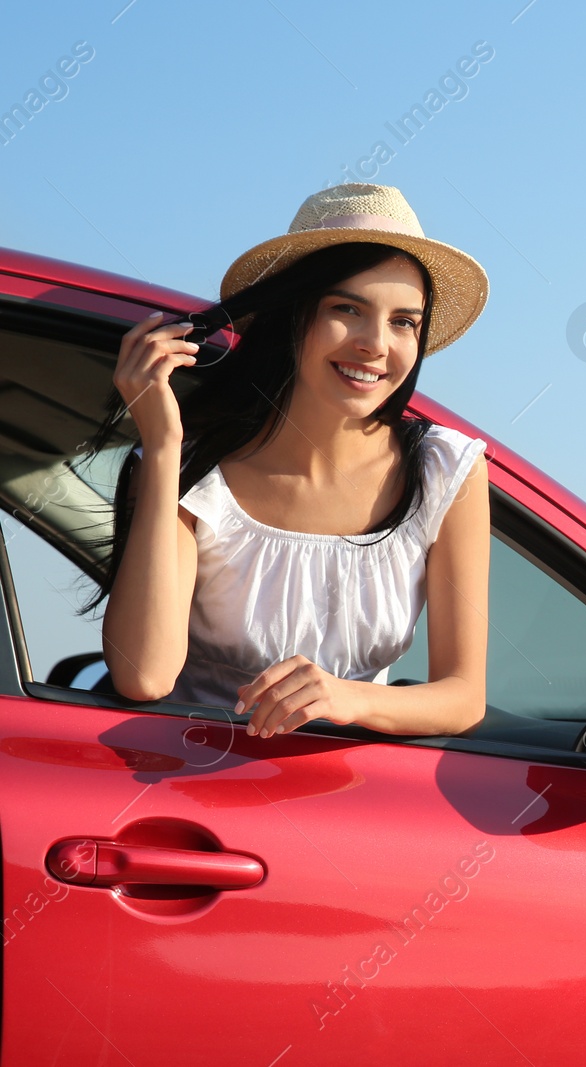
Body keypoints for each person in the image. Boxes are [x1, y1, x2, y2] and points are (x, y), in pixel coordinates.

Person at [78, 183, 491, 738]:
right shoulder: (195, 471)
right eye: (347, 309)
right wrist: (164, 445)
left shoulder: (446, 471)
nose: (376, 343)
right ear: (291, 317)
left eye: (403, 322)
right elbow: (143, 675)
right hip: (185, 783)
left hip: (352, 795)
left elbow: (463, 698)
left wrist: (346, 697)